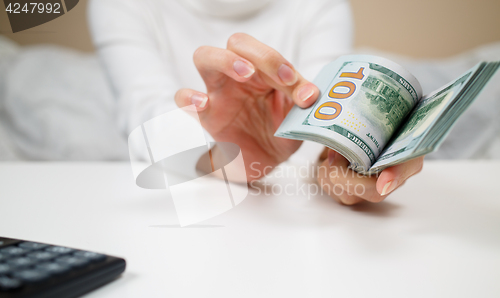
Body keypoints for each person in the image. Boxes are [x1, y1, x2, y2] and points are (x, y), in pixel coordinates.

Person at [88, 0, 423, 205]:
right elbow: (146, 119)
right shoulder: (122, 4)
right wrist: (225, 157)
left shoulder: (321, 4)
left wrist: (335, 159)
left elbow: (319, 127)